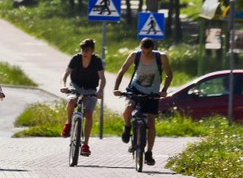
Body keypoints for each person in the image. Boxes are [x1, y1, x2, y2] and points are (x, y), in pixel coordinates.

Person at [112, 37, 174, 166]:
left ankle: (149, 152)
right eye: (143, 51)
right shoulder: (135, 55)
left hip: (153, 92)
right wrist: (116, 88)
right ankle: (127, 126)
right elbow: (122, 70)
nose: (145, 54)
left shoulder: (161, 57)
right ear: (140, 48)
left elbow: (169, 75)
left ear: (152, 49)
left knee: (151, 122)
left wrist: (164, 90)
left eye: (147, 52)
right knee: (128, 109)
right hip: (135, 89)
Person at [60, 38, 106, 157]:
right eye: (83, 50)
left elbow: (103, 78)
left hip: (90, 89)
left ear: (92, 51)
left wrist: (100, 91)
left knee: (89, 113)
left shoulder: (96, 61)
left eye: (87, 50)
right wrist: (63, 86)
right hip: (75, 86)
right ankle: (69, 123)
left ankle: (85, 144)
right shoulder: (76, 59)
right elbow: (65, 74)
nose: (84, 53)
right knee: (71, 101)